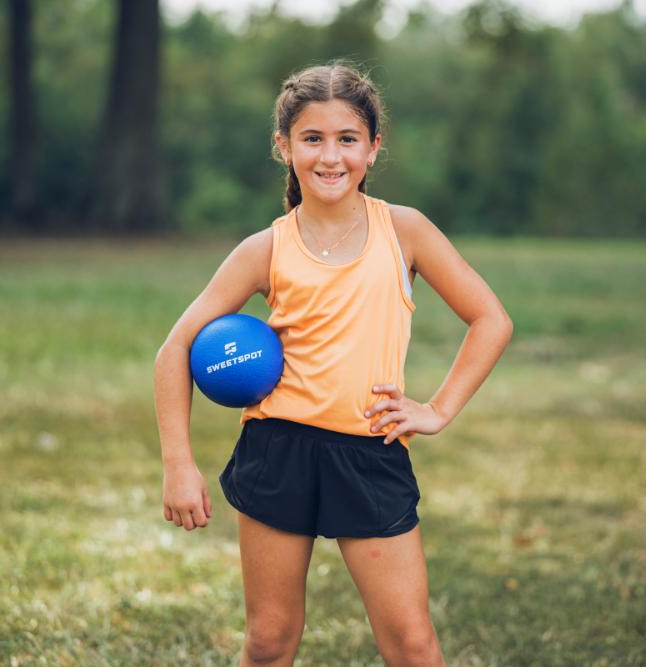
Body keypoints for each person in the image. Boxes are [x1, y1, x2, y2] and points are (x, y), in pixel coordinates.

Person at [154, 62, 512, 667]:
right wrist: (178, 465)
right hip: (278, 450)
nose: (330, 156)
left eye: (347, 139)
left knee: (413, 644)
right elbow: (174, 350)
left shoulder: (405, 231)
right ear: (284, 147)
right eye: (312, 138)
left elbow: (491, 320)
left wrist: (437, 409)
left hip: (369, 453)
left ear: (373, 148)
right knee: (269, 642)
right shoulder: (265, 248)